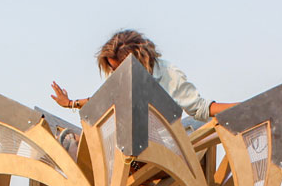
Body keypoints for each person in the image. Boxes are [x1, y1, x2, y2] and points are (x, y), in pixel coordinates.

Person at [50, 29, 236, 123]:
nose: (115, 74)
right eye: (112, 69)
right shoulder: (120, 81)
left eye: (118, 68)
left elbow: (201, 108)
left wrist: (243, 108)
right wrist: (70, 103)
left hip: (162, 147)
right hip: (127, 148)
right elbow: (102, 100)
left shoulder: (167, 74)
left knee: (198, 126)